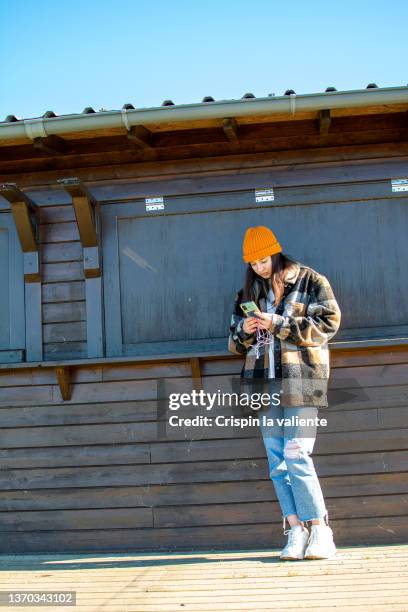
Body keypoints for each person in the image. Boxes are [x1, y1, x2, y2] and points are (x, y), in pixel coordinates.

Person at [228, 225, 341, 560]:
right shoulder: (247, 294)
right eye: (253, 263)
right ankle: (295, 530)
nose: (260, 267)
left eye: (263, 259)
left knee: (297, 453)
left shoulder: (310, 280)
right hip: (263, 385)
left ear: (275, 253)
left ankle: (320, 529)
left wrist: (277, 323)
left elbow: (329, 324)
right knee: (277, 462)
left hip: (302, 381)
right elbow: (234, 342)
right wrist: (244, 330)